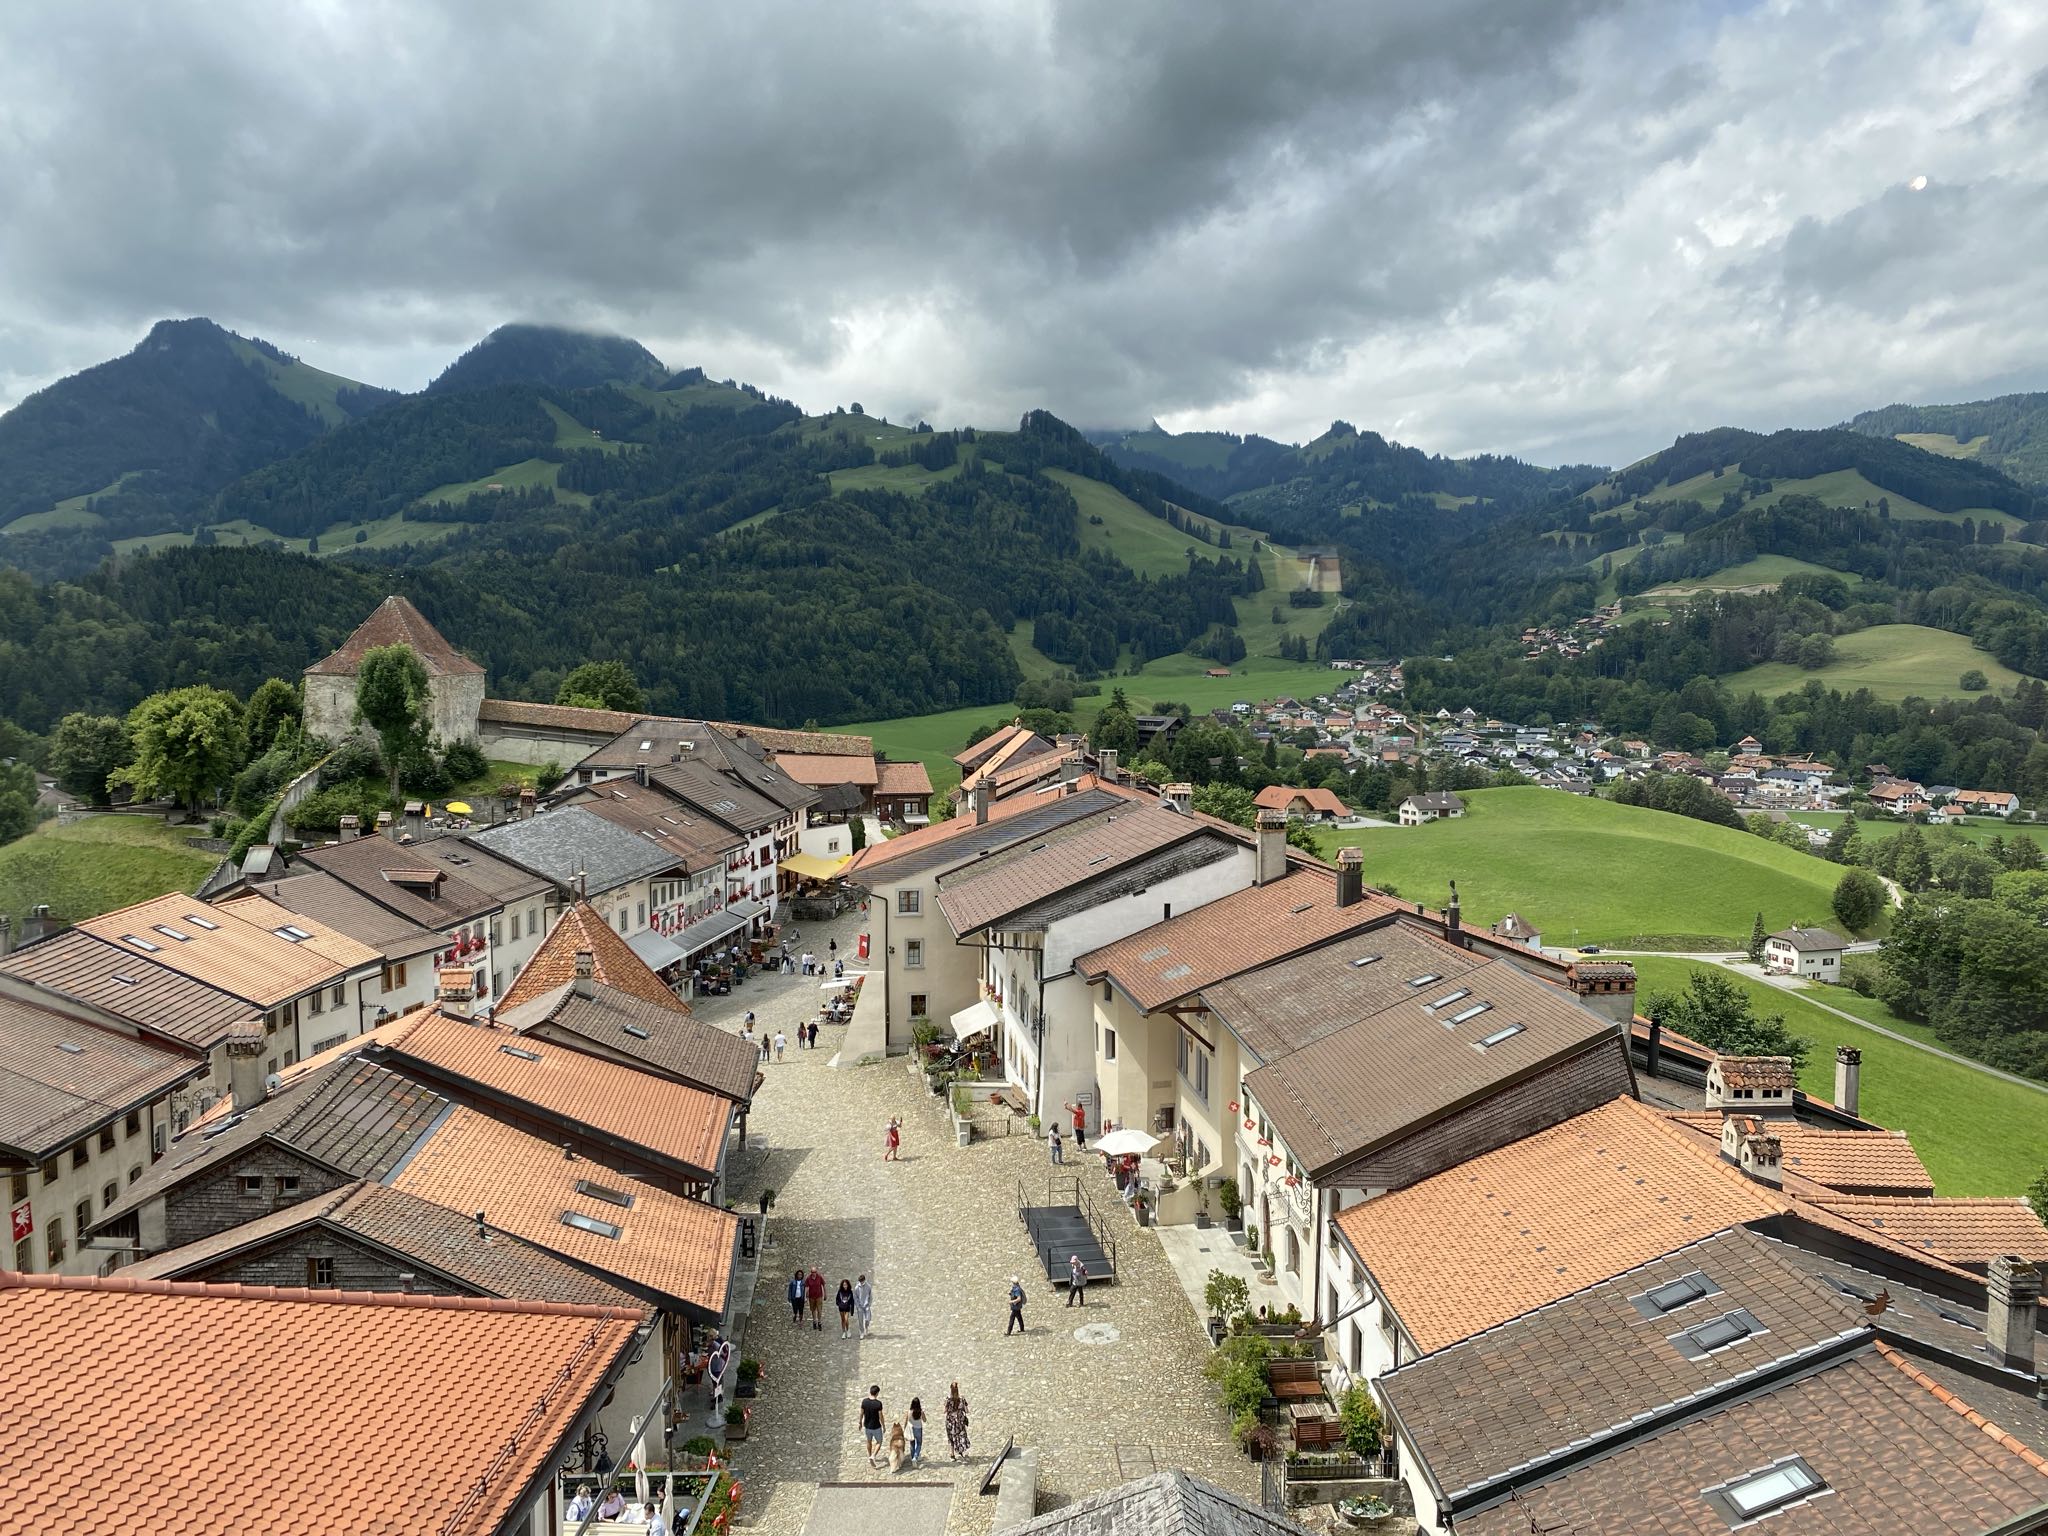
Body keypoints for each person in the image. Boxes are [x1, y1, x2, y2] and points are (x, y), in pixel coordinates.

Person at [859, 1384, 886, 1467]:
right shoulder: (878, 1404)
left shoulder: (864, 1401)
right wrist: (883, 1425)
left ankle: (869, 1455)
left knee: (869, 1441)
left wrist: (860, 1422)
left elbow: (861, 1413)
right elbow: (880, 1416)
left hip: (867, 1426)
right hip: (876, 1426)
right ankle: (873, 1455)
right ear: (877, 1393)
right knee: (879, 1442)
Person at [945, 1382, 971, 1460]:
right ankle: (961, 1451)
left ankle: (952, 1454)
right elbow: (966, 1411)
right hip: (960, 1421)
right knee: (961, 1436)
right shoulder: (962, 1399)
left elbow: (945, 1410)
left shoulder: (948, 1400)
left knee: (951, 1437)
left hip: (950, 1421)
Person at [853, 1273, 874, 1338]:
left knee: (867, 1318)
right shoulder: (857, 1288)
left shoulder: (868, 1286)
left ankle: (866, 1327)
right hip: (860, 1306)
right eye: (860, 1282)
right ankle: (861, 1332)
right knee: (860, 1320)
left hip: (866, 1305)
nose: (861, 1283)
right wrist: (857, 1305)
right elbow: (855, 1297)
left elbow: (870, 1296)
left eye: (862, 1282)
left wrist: (869, 1304)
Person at [908, 1396, 926, 1466]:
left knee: (912, 1444)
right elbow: (924, 1420)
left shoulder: (910, 1412)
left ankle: (913, 1457)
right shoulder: (920, 1412)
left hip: (911, 1429)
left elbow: (908, 1420)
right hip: (918, 1429)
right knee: (919, 1444)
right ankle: (915, 1457)